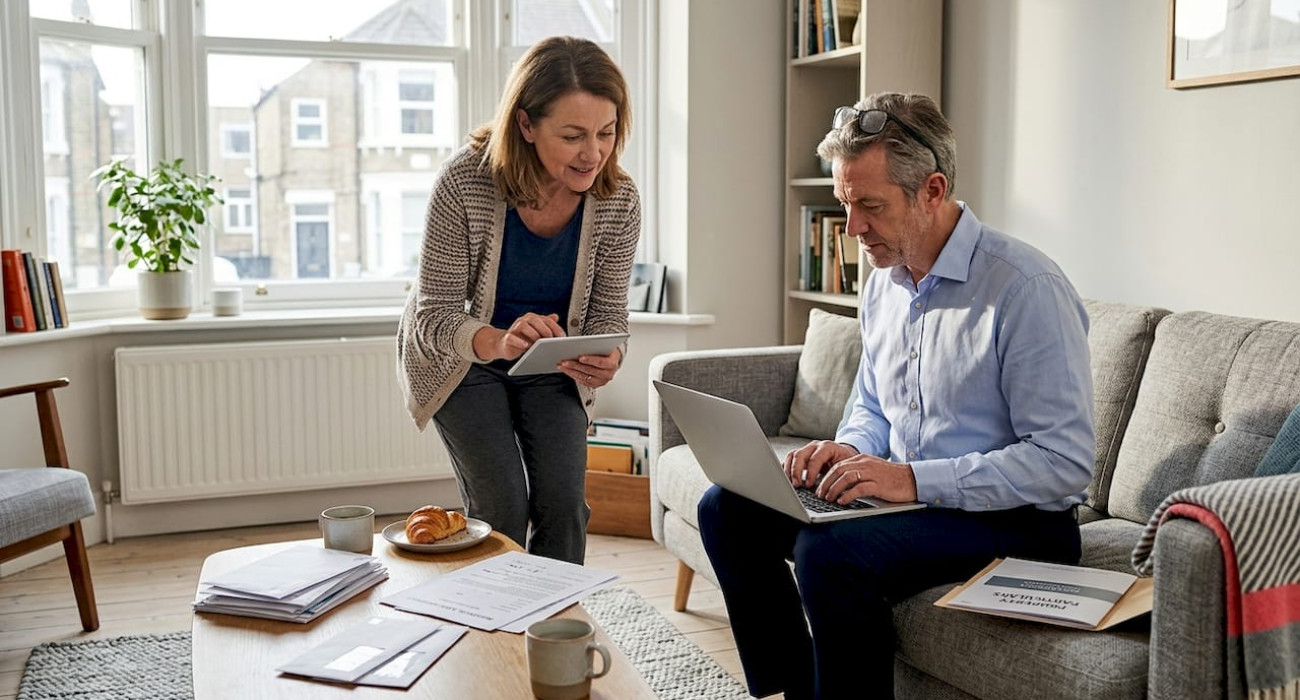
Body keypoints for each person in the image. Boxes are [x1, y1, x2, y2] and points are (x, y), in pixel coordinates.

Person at [697, 92, 1094, 699]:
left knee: (827, 553)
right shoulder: (884, 280)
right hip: (913, 503)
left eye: (871, 207)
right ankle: (795, 691)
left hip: (1017, 522)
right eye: (846, 204)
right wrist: (848, 449)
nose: (853, 229)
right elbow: (875, 404)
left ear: (932, 191)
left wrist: (909, 480)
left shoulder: (1025, 289)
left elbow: (1063, 465)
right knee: (727, 508)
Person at [396, 36, 640, 565]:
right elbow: (432, 316)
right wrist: (499, 340)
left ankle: (555, 630)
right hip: (463, 361)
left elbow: (608, 312)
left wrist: (610, 357)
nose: (593, 153)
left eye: (606, 132)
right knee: (501, 507)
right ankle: (491, 636)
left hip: (553, 363)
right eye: (573, 135)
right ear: (526, 125)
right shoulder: (464, 181)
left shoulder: (618, 197)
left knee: (564, 507)